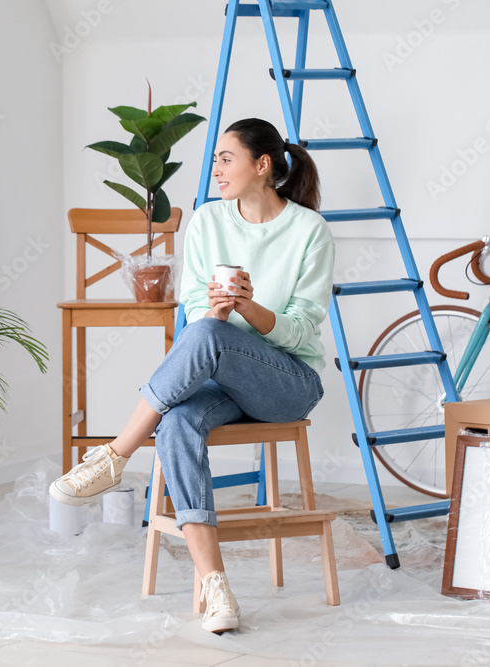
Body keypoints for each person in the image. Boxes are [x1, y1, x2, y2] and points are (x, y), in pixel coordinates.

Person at [50, 117, 335, 634]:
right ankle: (215, 585)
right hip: (222, 376)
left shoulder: (308, 230)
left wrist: (248, 309)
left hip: (287, 383)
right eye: (217, 159)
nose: (217, 168)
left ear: (262, 165)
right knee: (179, 419)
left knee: (204, 340)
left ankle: (116, 454)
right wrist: (222, 311)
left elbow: (302, 328)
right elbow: (199, 311)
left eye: (227, 157)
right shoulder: (207, 220)